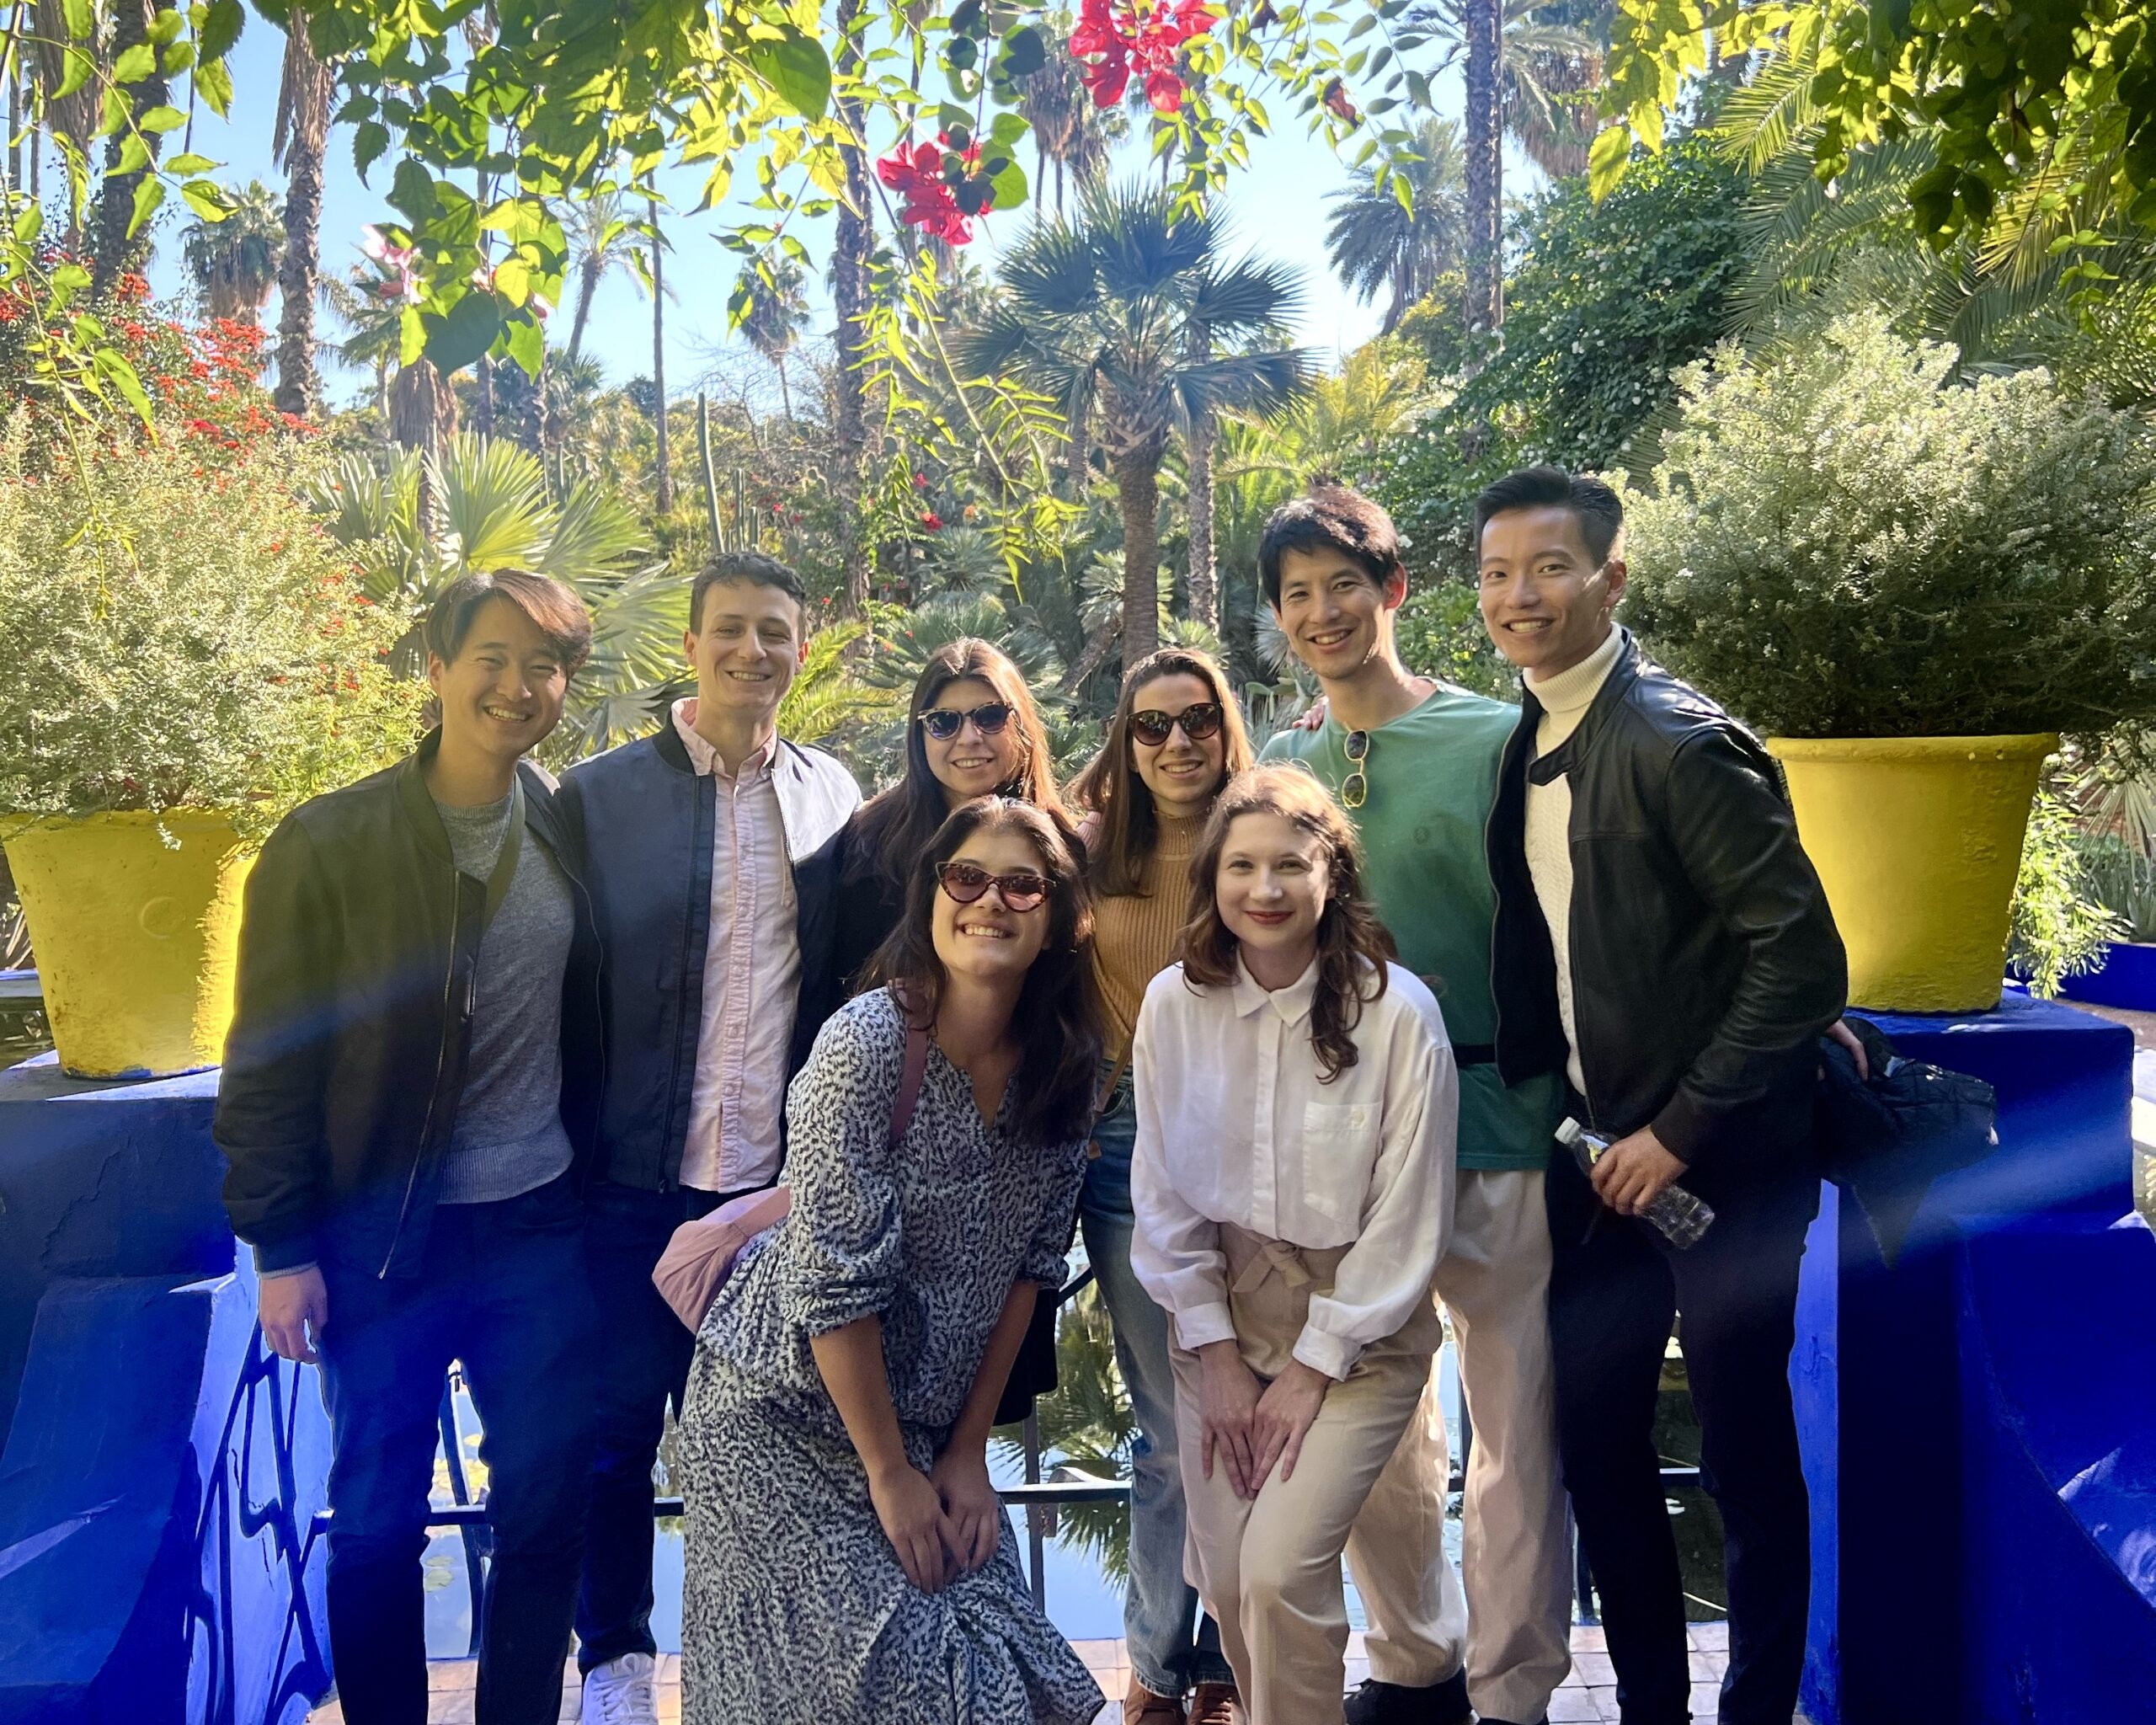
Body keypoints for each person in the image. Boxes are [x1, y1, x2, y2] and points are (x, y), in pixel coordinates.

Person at [1476, 466, 1847, 1725]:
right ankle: (1650, 1710)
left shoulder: (1679, 742)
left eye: (1549, 567)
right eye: (1497, 572)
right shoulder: (1527, 735)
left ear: (1610, 578)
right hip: (1594, 1170)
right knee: (1601, 1454)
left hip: (1723, 1163)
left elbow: (1803, 961)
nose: (1519, 596)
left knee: (1745, 1459)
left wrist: (1676, 1135)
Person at [216, 571, 602, 1725]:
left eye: (544, 665)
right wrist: (280, 1244)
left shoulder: (564, 823)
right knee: (377, 1517)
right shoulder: (329, 841)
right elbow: (269, 1054)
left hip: (538, 1225)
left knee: (543, 1510)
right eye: (490, 656)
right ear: (436, 669)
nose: (517, 685)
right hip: (383, 1238)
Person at [674, 798, 1106, 1725]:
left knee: (1015, 1668)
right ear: (932, 895)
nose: (991, 900)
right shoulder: (865, 1046)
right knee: (910, 1683)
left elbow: (1034, 1267)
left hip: (916, 1425)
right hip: (779, 1414)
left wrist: (962, 1455)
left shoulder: (1067, 1067)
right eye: (967, 877)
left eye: (1023, 883)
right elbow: (834, 1286)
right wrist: (888, 1473)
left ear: (1064, 918)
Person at [1260, 481, 1572, 1725]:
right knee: (1377, 1435)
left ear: (1392, 591)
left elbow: (1571, 918)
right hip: (1348, 1150)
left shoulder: (1501, 739)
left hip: (1501, 1123)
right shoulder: (1283, 760)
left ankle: (1511, 1695)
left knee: (1515, 1430)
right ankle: (1416, 1658)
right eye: (1296, 595)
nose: (1323, 612)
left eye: (1344, 584)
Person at [555, 551, 860, 1725]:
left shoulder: (830, 792)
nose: (752, 652)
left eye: (774, 632)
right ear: (690, 645)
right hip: (630, 1181)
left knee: (765, 1447)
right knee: (615, 1434)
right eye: (729, 630)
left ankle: (761, 1674)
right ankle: (617, 1667)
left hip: (765, 1196)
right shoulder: (600, 795)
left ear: (799, 644)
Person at [1130, 765, 1462, 1725]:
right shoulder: (1172, 1005)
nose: (1263, 889)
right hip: (1223, 1326)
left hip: (1359, 1335)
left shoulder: (1398, 1016)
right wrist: (1221, 1357)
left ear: (1333, 876)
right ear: (1212, 879)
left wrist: (1313, 1366)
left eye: (1289, 864)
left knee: (1280, 1576)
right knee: (1232, 1585)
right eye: (1240, 865)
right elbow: (1161, 1192)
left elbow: (1407, 1218)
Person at [1066, 648, 1256, 1725]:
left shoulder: (1262, 834)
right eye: (1150, 726)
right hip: (1123, 1141)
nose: (1176, 742)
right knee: (1169, 1425)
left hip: (1252, 1142)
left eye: (1195, 720)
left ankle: (1229, 1660)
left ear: (1225, 726)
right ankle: (1156, 1668)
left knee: (1249, 1406)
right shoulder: (1089, 851)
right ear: (1124, 743)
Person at [794, 637, 1072, 1054]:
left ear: (1022, 724)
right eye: (944, 722)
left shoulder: (1064, 849)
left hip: (1020, 1079)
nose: (969, 738)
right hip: (883, 1080)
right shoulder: (868, 847)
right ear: (919, 735)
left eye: (990, 717)